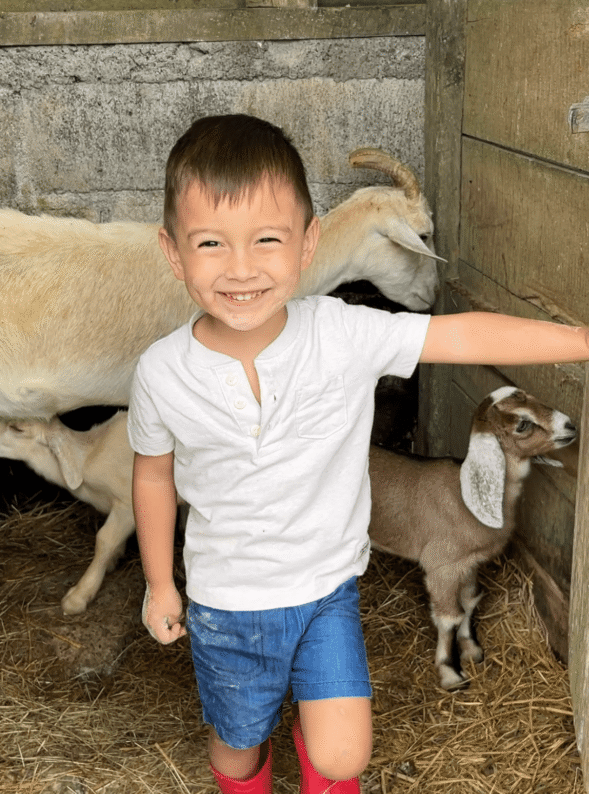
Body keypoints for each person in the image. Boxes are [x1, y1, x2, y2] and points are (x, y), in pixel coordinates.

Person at [127, 113, 589, 794]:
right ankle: (250, 756)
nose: (241, 268)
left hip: (326, 593)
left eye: (267, 239)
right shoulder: (161, 371)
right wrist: (160, 582)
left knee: (344, 756)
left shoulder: (342, 333)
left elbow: (460, 337)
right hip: (226, 605)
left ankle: (314, 742)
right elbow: (152, 473)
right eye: (211, 243)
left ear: (308, 242)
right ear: (173, 253)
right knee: (237, 746)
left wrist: (579, 342)